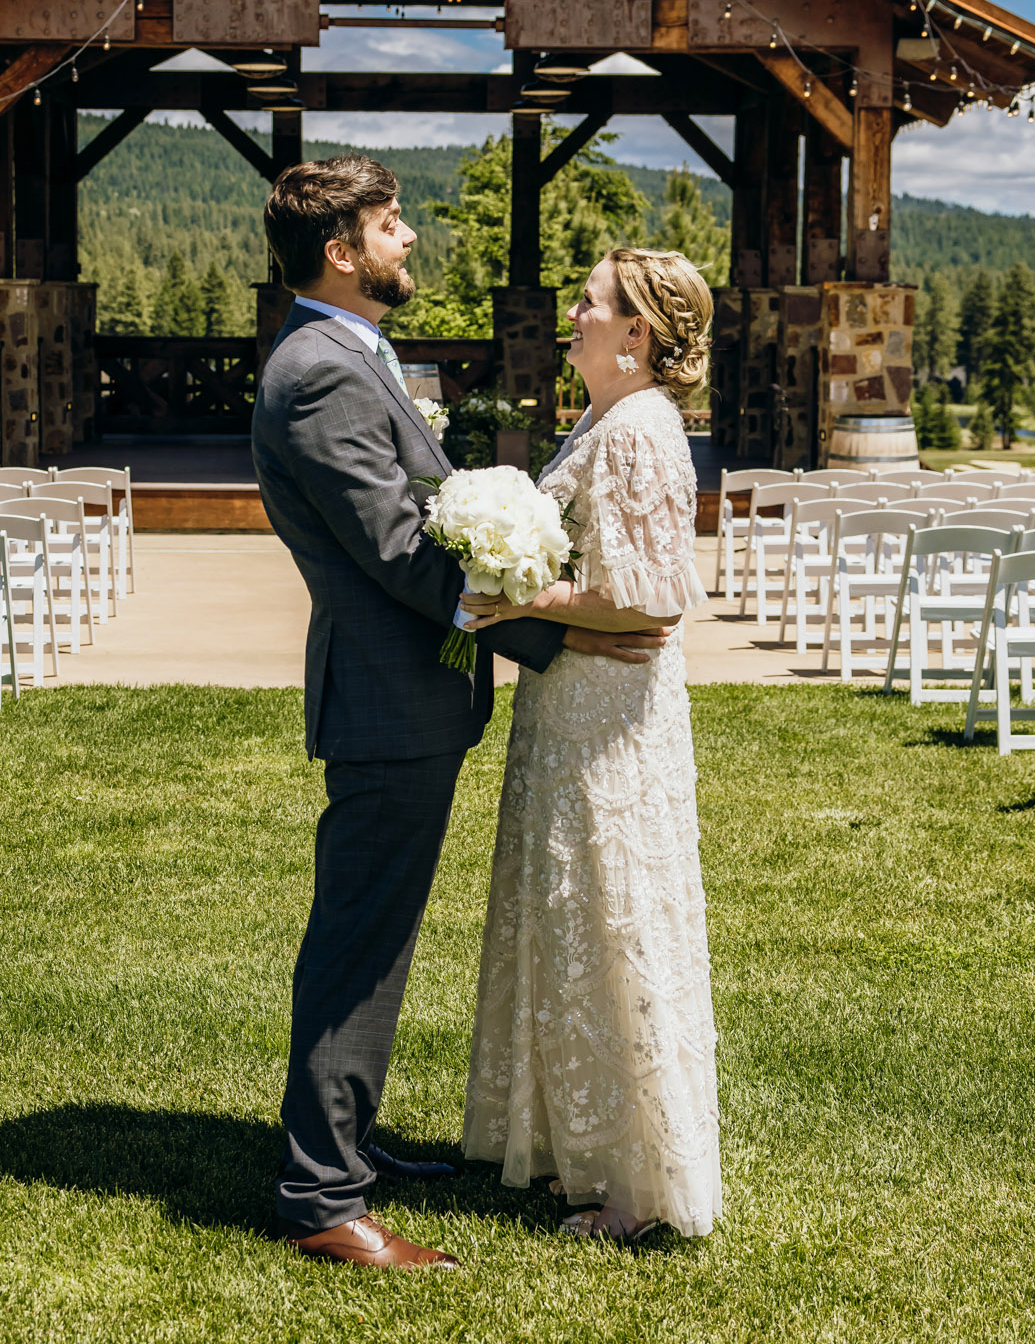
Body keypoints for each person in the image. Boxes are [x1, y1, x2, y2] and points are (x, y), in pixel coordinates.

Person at [250, 157, 670, 1271]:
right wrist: (565, 632)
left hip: (410, 697)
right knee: (360, 938)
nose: (410, 240)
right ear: (340, 249)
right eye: (391, 226)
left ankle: (349, 1137)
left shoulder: (348, 354)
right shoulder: (322, 372)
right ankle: (322, 1195)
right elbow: (399, 551)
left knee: (374, 932)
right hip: (387, 702)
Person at [455, 247, 722, 1243]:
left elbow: (654, 593)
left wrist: (510, 597)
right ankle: (569, 1140)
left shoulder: (641, 431)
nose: (571, 310)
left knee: (612, 917)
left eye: (590, 301)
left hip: (610, 718)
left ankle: (636, 1184)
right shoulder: (606, 420)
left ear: (637, 333)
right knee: (570, 914)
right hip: (574, 698)